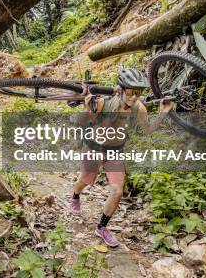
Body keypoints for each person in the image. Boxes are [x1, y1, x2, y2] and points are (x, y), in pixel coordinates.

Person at [70, 68, 175, 247]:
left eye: (138, 92)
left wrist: (164, 112)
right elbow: (79, 123)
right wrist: (88, 109)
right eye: (130, 91)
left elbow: (147, 130)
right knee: (85, 181)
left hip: (115, 152)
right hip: (93, 148)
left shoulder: (139, 109)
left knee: (117, 191)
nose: (134, 96)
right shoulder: (104, 102)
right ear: (120, 89)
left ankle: (101, 227)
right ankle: (75, 196)